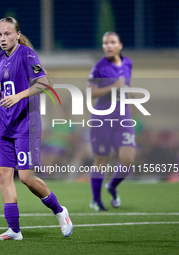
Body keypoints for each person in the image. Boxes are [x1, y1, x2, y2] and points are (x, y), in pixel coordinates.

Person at [0, 17, 73, 240]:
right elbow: (3, 90)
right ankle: (14, 230)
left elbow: (43, 83)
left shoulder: (26, 54)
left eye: (7, 34)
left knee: (26, 178)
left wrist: (19, 97)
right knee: (4, 175)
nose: (3, 39)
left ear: (17, 34)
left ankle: (60, 211)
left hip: (26, 125)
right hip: (4, 125)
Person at [88, 32, 136, 211]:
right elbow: (90, 92)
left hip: (123, 117)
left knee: (128, 159)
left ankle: (112, 185)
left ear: (120, 45)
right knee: (101, 159)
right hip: (102, 118)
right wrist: (112, 87)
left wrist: (130, 91)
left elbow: (125, 84)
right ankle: (96, 200)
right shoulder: (99, 67)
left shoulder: (128, 63)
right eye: (105, 43)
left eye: (112, 42)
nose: (108, 46)